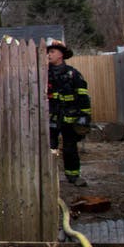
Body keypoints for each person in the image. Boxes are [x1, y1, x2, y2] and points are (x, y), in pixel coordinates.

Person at [46, 39, 92, 186]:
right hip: (51, 118)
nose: (49, 54)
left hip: (69, 118)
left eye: (52, 52)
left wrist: (84, 117)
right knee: (49, 148)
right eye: (48, 52)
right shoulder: (44, 74)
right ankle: (49, 178)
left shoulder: (73, 74)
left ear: (61, 55)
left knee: (70, 148)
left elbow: (83, 96)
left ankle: (73, 176)